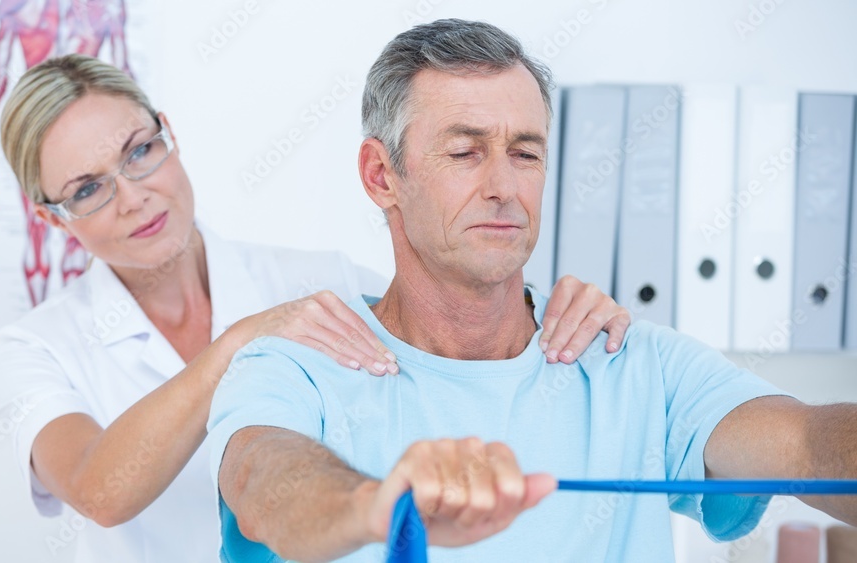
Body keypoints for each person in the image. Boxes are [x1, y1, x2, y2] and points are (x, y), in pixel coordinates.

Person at [209, 19, 857, 562]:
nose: (504, 186)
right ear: (382, 175)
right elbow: (262, 479)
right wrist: (374, 503)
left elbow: (804, 443)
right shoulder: (296, 363)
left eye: (525, 153)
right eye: (465, 152)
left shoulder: (630, 358)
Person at [0, 54, 632, 562]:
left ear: (168, 136)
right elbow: (101, 490)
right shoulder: (35, 346)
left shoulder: (318, 278)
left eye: (140, 152)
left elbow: (454, 334)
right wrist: (237, 343)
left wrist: (545, 307)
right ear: (51, 216)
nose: (134, 196)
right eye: (90, 188)